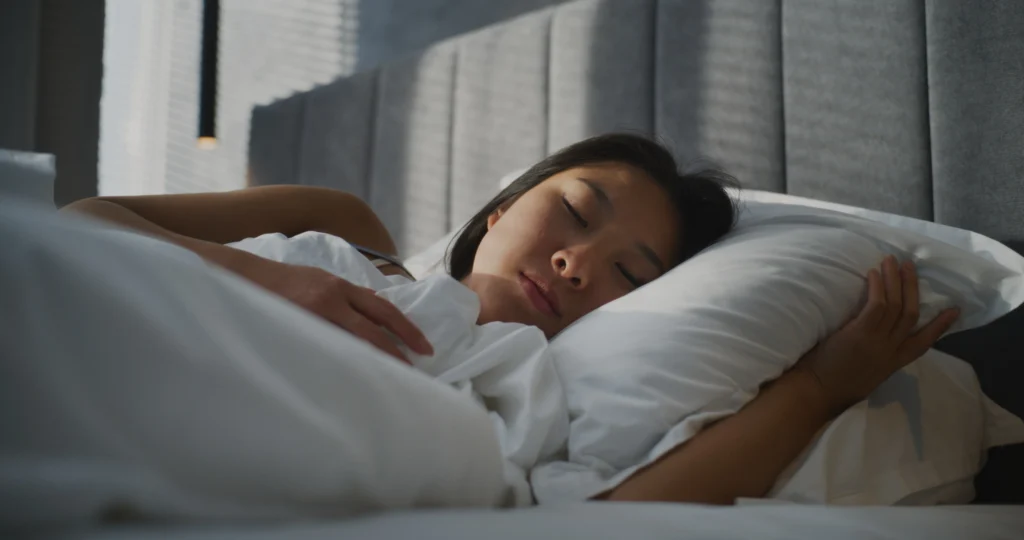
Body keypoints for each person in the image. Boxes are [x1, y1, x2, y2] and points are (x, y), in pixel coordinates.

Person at [64, 133, 960, 505]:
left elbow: (617, 514)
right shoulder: (346, 226)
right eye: (573, 213)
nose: (578, 263)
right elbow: (80, 227)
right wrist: (263, 279)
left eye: (630, 271)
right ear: (504, 206)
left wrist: (821, 387)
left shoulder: (538, 398)